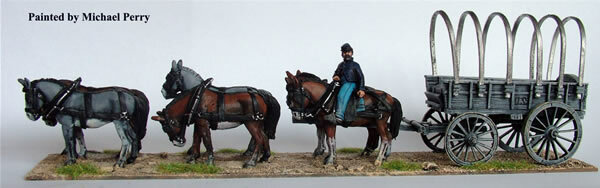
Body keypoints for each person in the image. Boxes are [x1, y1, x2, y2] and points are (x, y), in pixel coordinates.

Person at [333, 43, 365, 123]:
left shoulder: (355, 65)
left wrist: (361, 89)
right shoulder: (341, 65)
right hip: (341, 83)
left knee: (341, 95)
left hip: (351, 83)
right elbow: (336, 73)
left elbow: (361, 77)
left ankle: (339, 115)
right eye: (344, 52)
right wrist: (336, 76)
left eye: (348, 52)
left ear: (351, 53)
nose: (347, 54)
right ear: (342, 54)